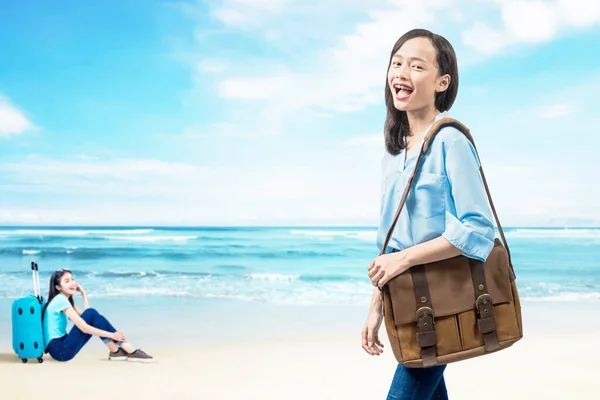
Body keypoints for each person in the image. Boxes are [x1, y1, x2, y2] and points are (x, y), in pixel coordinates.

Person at [361, 29, 495, 399]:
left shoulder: (451, 140)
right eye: (397, 62)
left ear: (441, 82)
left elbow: (478, 227)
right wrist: (377, 306)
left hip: (443, 302)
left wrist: (403, 260)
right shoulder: (392, 152)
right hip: (407, 300)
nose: (401, 72)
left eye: (417, 65)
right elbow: (392, 242)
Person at [42, 268, 155, 363]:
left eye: (72, 279)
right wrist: (112, 335)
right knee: (92, 314)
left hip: (60, 348)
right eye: (67, 281)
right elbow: (84, 327)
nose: (72, 283)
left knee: (94, 315)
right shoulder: (60, 300)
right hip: (60, 351)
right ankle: (128, 349)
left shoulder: (63, 300)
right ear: (58, 287)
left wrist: (83, 294)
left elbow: (88, 316)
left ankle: (116, 351)